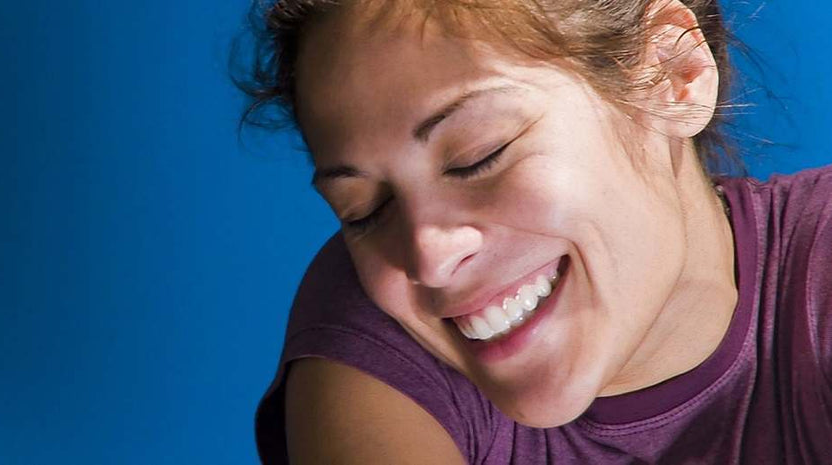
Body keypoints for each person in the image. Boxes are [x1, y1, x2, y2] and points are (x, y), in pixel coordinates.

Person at [236, 0, 832, 463]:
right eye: (364, 210)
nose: (430, 259)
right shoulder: (374, 335)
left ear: (673, 74)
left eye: (478, 156)